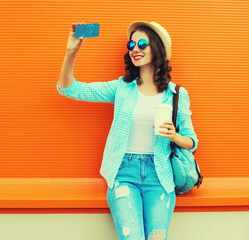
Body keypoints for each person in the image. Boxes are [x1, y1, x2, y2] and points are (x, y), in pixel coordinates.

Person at [57, 21, 198, 240]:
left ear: (158, 48)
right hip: (124, 173)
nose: (135, 49)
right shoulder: (121, 88)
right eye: (131, 44)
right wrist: (71, 53)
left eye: (142, 43)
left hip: (159, 175)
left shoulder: (176, 94)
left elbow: (192, 141)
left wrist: (174, 135)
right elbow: (70, 89)